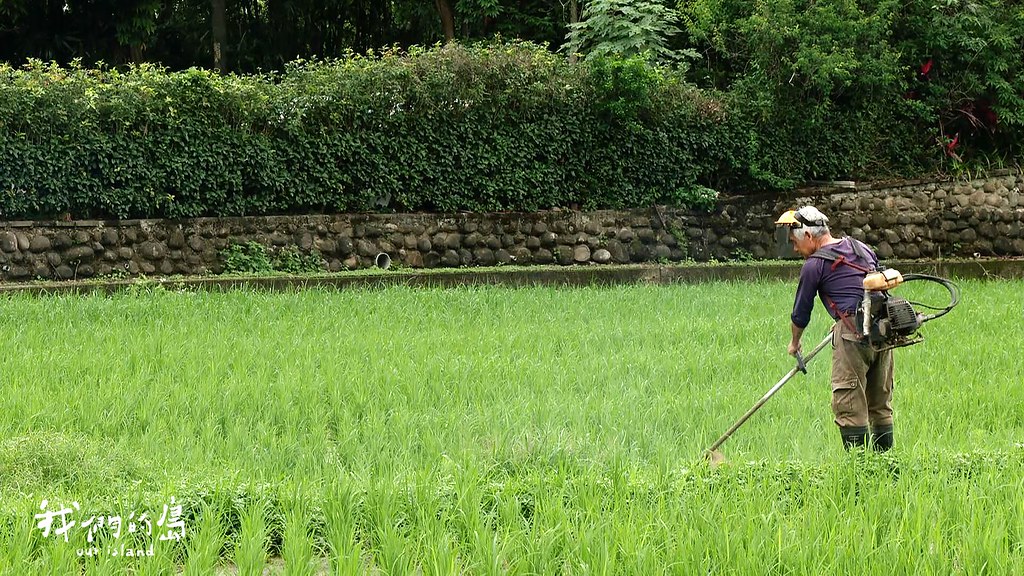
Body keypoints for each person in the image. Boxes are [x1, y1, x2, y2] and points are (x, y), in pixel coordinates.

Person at [775, 206, 894, 452]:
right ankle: (885, 463)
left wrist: (795, 343)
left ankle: (859, 468)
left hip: (853, 336)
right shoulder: (860, 247)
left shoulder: (814, 264)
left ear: (809, 236)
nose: (795, 249)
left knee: (849, 404)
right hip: (883, 330)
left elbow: (800, 313)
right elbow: (865, 288)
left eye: (795, 242)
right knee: (880, 404)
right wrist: (842, 319)